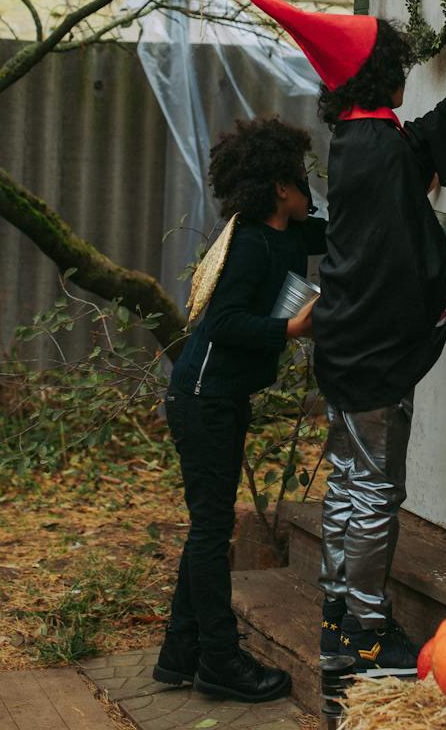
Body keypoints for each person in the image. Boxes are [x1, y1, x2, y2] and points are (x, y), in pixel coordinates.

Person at [241, 0, 446, 679]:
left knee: (350, 484)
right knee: (378, 492)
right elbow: (405, 250)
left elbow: (411, 152)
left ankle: (337, 618)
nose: (408, 70)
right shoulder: (377, 146)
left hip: (342, 345)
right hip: (375, 355)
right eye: (399, 61)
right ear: (383, 73)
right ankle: (369, 638)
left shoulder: (358, 136)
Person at [153, 117, 322, 701]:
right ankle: (220, 662)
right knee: (211, 529)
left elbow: (352, 228)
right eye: (303, 181)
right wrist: (290, 329)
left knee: (208, 526)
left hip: (219, 398)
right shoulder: (248, 241)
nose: (311, 192)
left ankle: (180, 654)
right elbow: (221, 324)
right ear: (280, 186)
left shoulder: (291, 232)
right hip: (202, 398)